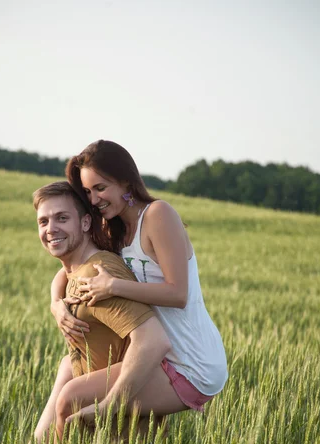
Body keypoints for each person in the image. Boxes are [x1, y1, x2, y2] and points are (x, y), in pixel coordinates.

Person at [50, 140, 228, 427]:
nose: (94, 200)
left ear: (125, 182)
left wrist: (113, 287)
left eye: (100, 188)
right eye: (87, 192)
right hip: (155, 355)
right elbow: (70, 270)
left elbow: (178, 293)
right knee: (68, 370)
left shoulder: (158, 215)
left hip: (192, 361)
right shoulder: (114, 228)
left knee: (73, 398)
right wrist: (56, 304)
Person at [34, 181, 187, 444]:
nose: (50, 228)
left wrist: (111, 406)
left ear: (86, 222)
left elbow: (153, 341)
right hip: (97, 443)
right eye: (43, 221)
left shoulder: (98, 274)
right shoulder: (74, 273)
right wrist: (55, 302)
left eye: (62, 218)